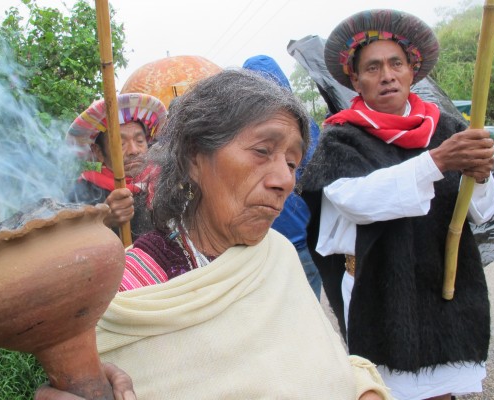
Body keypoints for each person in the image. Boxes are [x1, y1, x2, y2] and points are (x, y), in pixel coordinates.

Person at [36, 69, 392, 400]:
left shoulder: (278, 254)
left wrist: (364, 390)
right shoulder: (128, 289)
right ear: (194, 157)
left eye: (291, 162)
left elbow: (324, 359)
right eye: (262, 151)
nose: (285, 180)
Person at [299, 9, 494, 400]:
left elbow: (481, 212)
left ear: (413, 71)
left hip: (444, 284)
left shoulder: (448, 128)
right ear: (355, 79)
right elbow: (357, 200)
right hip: (379, 289)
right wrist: (437, 162)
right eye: (372, 68)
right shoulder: (342, 136)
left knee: (443, 389)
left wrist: (482, 175)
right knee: (384, 389)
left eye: (396, 64)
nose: (386, 75)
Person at [242, 54, 323, 300]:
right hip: (304, 240)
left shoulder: (245, 128)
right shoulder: (305, 125)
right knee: (308, 317)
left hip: (267, 245)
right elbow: (318, 175)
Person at [66, 93, 166, 240]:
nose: (133, 151)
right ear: (99, 152)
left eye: (139, 140)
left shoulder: (163, 180)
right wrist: (103, 221)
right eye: (120, 144)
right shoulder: (83, 192)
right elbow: (72, 243)